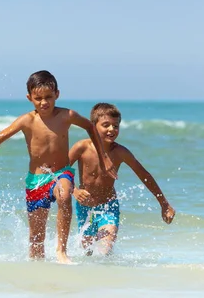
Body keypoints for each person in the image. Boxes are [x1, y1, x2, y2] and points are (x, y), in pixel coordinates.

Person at [0, 70, 113, 264]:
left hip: (61, 172)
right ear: (30, 98)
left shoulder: (66, 115)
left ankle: (61, 251)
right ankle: (37, 269)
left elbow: (90, 127)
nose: (44, 102)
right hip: (36, 179)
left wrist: (103, 157)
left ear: (57, 95)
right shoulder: (27, 120)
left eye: (48, 97)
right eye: (38, 98)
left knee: (64, 193)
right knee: (36, 239)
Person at [68, 102, 175, 255]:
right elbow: (61, 171)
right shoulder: (81, 147)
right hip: (85, 208)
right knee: (87, 252)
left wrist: (164, 204)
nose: (112, 129)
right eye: (106, 125)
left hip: (108, 207)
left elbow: (144, 175)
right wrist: (74, 191)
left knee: (105, 250)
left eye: (116, 126)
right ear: (93, 126)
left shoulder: (120, 152)